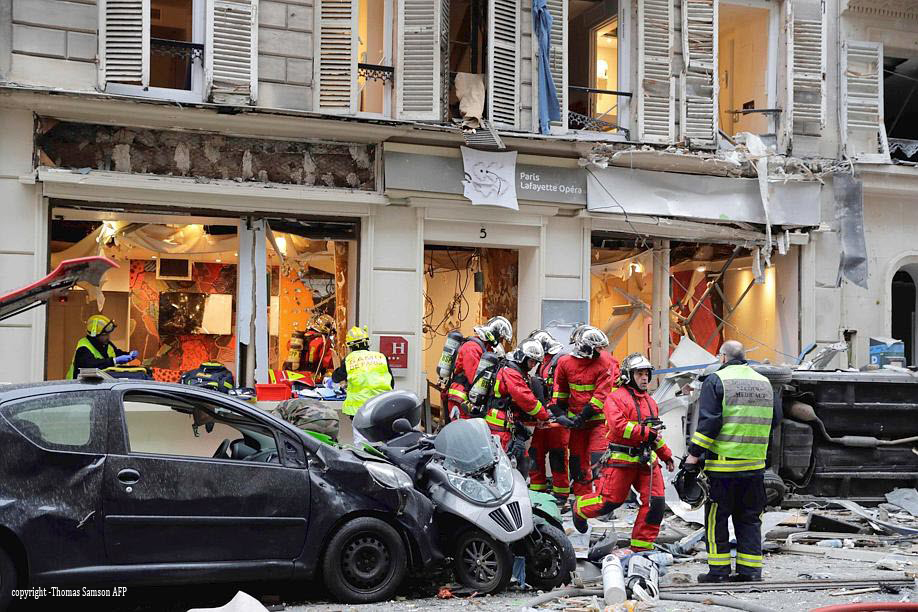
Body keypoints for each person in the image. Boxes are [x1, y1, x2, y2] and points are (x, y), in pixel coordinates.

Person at [685, 340, 777, 583]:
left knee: (717, 520)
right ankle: (750, 572)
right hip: (755, 468)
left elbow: (709, 424)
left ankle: (718, 572)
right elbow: (775, 420)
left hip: (723, 468)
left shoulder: (716, 380)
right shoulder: (765, 382)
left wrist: (693, 456)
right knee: (749, 519)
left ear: (723, 358)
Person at [573, 353, 676, 548]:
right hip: (621, 461)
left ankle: (640, 549)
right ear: (629, 376)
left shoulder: (650, 402)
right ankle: (579, 508)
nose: (645, 378)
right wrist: (646, 433)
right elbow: (619, 426)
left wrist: (666, 454)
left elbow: (655, 434)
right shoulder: (615, 399)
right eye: (640, 374)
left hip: (646, 461)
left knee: (656, 503)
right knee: (609, 502)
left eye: (647, 374)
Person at [552, 326, 615, 501]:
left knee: (599, 459)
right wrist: (560, 413)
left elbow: (600, 397)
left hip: (598, 421)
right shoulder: (565, 363)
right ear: (585, 348)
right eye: (597, 348)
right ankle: (583, 501)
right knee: (577, 462)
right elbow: (561, 391)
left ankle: (604, 502)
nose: (601, 351)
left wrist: (582, 417)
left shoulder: (604, 363)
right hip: (576, 423)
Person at [484, 338, 551, 474]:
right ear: (522, 357)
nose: (532, 366)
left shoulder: (517, 371)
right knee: (503, 462)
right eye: (531, 361)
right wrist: (544, 415)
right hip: (501, 424)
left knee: (518, 461)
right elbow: (526, 399)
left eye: (535, 363)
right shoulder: (511, 372)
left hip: (507, 423)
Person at [527, 330, 571, 505]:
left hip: (557, 419)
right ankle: (538, 491)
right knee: (535, 452)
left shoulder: (560, 360)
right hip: (544, 417)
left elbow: (561, 390)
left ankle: (561, 496)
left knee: (558, 455)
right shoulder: (544, 362)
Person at [333, 326, 395, 445]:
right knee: (380, 440)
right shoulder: (381, 357)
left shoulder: (349, 360)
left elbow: (336, 377)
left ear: (349, 346)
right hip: (381, 406)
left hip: (359, 409)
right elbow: (391, 382)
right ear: (367, 343)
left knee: (361, 443)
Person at [446, 316, 513, 421]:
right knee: (462, 433)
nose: (499, 342)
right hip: (460, 397)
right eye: (500, 338)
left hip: (468, 397)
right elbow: (474, 378)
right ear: (493, 335)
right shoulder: (472, 347)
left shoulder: (482, 348)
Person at [66, 314, 137, 379]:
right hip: (77, 386)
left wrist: (129, 355)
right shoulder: (83, 347)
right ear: (95, 335)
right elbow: (90, 365)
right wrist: (114, 361)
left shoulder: (105, 343)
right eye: (105, 335)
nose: (108, 337)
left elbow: (115, 353)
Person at [304, 314, 336, 378]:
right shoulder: (324, 340)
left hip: (296, 374)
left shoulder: (304, 335)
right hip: (312, 376)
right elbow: (328, 363)